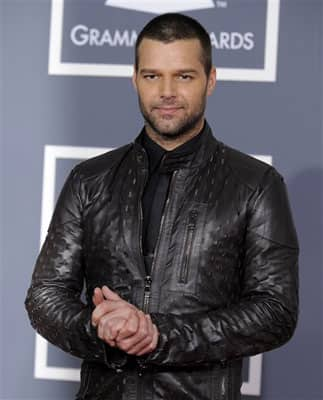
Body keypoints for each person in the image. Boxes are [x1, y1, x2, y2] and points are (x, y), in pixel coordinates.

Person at [25, 13, 299, 400]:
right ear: (135, 80)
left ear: (211, 79)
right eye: (153, 76)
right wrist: (100, 328)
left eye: (184, 76)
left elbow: (275, 311)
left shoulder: (254, 184)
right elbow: (46, 295)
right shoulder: (90, 180)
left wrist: (159, 335)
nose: (166, 91)